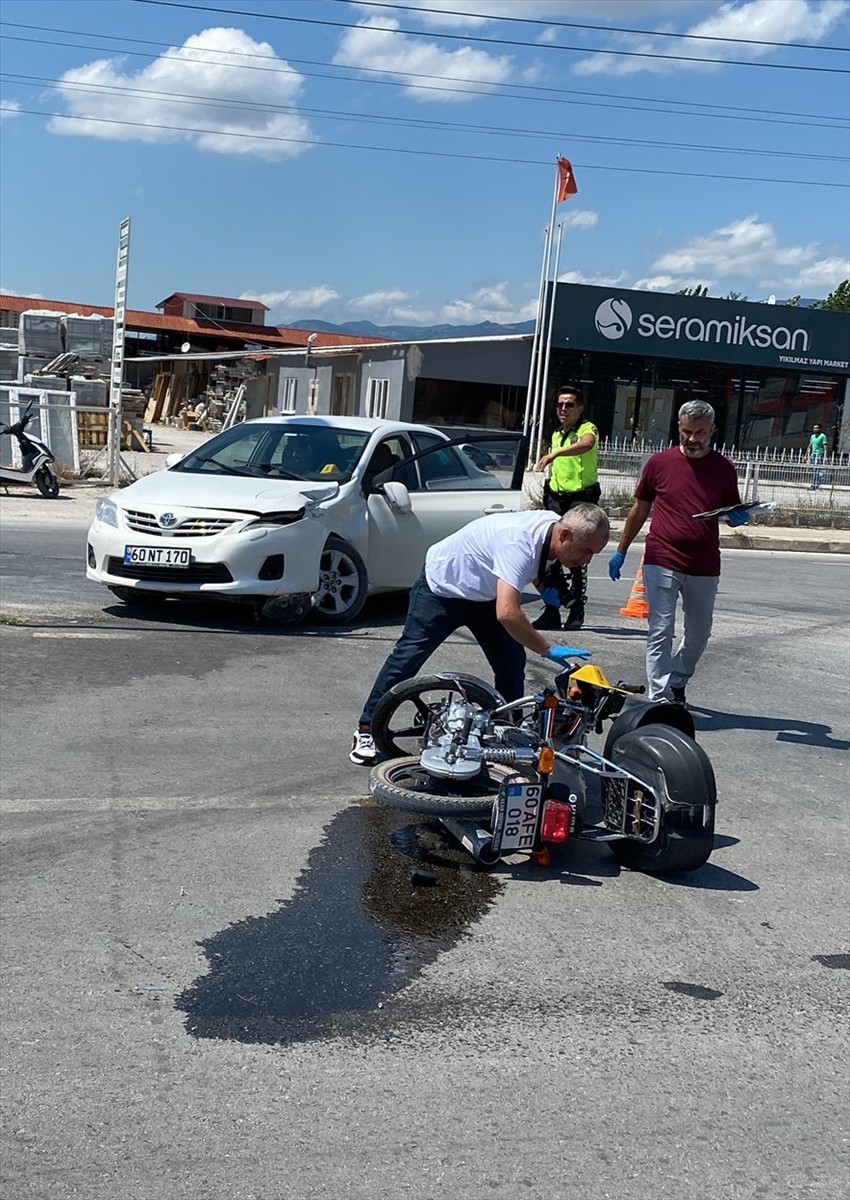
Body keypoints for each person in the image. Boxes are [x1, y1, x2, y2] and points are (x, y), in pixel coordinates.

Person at [349, 504, 611, 764]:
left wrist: (545, 585)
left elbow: (535, 567)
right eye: (586, 551)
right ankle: (366, 730)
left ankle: (510, 732)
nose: (587, 561)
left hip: (485, 595)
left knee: (511, 663)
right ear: (565, 535)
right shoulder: (518, 542)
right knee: (407, 658)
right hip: (443, 589)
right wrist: (547, 649)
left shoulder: (554, 529)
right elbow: (508, 613)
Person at [607, 400, 750, 707]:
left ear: (712, 430)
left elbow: (731, 508)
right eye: (687, 431)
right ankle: (659, 699)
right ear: (679, 429)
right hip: (662, 558)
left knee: (700, 634)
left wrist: (738, 517)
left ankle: (677, 679)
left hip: (704, 564)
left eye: (700, 432)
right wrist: (621, 549)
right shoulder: (659, 464)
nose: (693, 438)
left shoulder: (723, 468)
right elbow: (640, 509)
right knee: (661, 628)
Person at [531, 385, 600, 632]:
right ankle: (551, 610)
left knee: (577, 555)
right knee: (550, 554)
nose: (563, 409)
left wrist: (555, 454)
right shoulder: (557, 433)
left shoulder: (586, 429)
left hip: (580, 500)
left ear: (580, 408)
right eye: (560, 404)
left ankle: (577, 609)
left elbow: (586, 445)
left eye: (569, 404)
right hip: (556, 499)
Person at [808, 423, 828, 490]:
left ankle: (814, 484)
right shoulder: (812, 436)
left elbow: (825, 446)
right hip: (812, 455)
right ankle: (816, 481)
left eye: (816, 428)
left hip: (819, 454)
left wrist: (825, 455)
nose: (815, 429)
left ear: (820, 429)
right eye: (814, 428)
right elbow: (810, 445)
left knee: (816, 470)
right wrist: (805, 455)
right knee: (811, 469)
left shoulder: (823, 436)